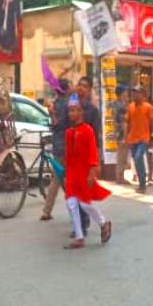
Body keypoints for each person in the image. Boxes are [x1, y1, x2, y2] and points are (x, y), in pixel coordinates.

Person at [42, 77, 100, 222]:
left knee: (70, 183)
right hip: (70, 151)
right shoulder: (70, 106)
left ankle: (91, 222)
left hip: (83, 154)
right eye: (79, 85)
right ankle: (81, 223)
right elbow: (63, 126)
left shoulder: (92, 110)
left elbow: (95, 135)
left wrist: (96, 160)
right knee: (68, 183)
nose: (80, 88)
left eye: (85, 86)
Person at [64, 100, 111, 249]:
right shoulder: (69, 132)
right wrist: (66, 173)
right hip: (72, 172)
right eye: (69, 110)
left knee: (84, 203)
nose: (71, 113)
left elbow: (92, 152)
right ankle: (79, 237)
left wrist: (92, 172)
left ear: (80, 112)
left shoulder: (87, 130)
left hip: (84, 171)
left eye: (74, 110)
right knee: (71, 203)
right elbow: (68, 155)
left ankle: (103, 223)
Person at [124, 86, 153, 193]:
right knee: (137, 162)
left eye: (137, 93)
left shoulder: (148, 107)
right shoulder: (130, 106)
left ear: (143, 94)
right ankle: (141, 183)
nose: (135, 95)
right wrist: (126, 137)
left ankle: (143, 184)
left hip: (144, 138)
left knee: (138, 158)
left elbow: (152, 122)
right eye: (133, 93)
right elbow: (128, 122)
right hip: (132, 138)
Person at [113, 86, 132, 184]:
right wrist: (125, 136)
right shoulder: (121, 106)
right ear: (122, 93)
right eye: (125, 92)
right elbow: (124, 121)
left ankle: (120, 176)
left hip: (118, 132)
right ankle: (120, 177)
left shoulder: (117, 104)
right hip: (122, 133)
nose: (127, 94)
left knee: (121, 156)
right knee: (122, 156)